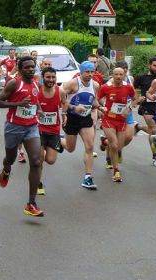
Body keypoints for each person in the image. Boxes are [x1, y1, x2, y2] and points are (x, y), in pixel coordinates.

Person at [0, 56, 45, 217]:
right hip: (14, 127)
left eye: (33, 67)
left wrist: (39, 109)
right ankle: (6, 169)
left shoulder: (36, 83)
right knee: (10, 158)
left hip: (31, 126)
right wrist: (17, 104)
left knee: (36, 161)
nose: (31, 69)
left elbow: (34, 100)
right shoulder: (14, 83)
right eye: (27, 67)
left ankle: (31, 202)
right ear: (20, 69)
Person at [60, 61, 102, 189]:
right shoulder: (73, 83)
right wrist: (70, 109)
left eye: (92, 72)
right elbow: (61, 96)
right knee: (70, 148)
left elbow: (93, 100)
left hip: (85, 118)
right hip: (72, 118)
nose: (90, 74)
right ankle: (60, 140)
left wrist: (101, 107)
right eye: (87, 72)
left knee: (89, 146)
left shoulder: (95, 85)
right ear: (81, 72)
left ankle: (87, 177)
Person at [97, 67, 135, 182]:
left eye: (121, 74)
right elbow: (97, 98)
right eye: (116, 74)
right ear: (112, 75)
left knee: (118, 147)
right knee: (114, 145)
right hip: (109, 118)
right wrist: (101, 107)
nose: (118, 76)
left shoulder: (128, 87)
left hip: (122, 120)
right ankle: (116, 171)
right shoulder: (106, 87)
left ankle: (105, 142)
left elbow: (135, 99)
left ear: (124, 75)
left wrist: (129, 109)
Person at [36, 67, 67, 195]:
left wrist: (64, 114)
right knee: (39, 159)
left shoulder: (60, 91)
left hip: (54, 130)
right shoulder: (37, 91)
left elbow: (65, 103)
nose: (51, 80)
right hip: (38, 129)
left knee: (50, 160)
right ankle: (38, 182)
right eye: (48, 77)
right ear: (43, 78)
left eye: (53, 77)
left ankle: (60, 141)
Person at [134, 56, 156, 167]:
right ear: (149, 65)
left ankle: (138, 127)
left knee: (152, 131)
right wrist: (137, 99)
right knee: (154, 130)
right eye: (154, 65)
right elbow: (132, 89)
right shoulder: (142, 77)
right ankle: (155, 156)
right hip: (146, 107)